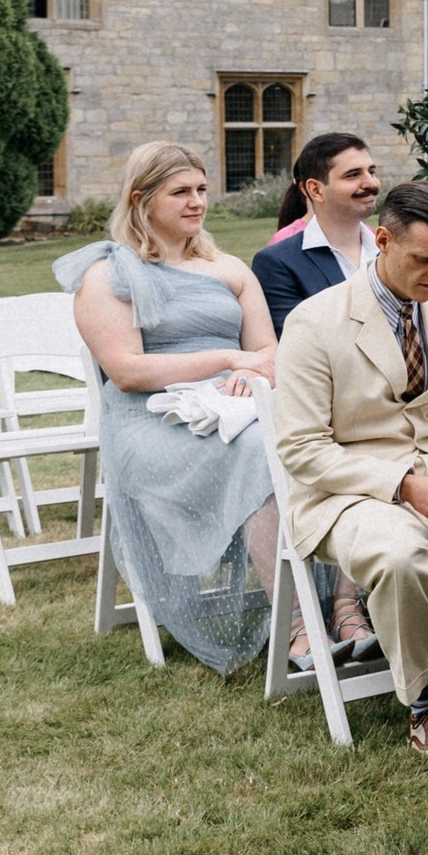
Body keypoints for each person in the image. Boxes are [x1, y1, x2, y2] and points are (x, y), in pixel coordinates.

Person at [273, 182, 428, 763]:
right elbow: (300, 448)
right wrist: (399, 485)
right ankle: (424, 703)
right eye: (424, 260)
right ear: (383, 240)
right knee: (399, 557)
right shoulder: (314, 323)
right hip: (347, 493)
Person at [59, 143, 281, 675]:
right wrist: (230, 358)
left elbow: (269, 351)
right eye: (180, 192)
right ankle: (297, 624)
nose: (197, 202)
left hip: (234, 404)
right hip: (150, 421)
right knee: (258, 449)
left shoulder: (228, 268)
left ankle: (344, 609)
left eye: (202, 190)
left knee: (315, 436)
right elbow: (127, 371)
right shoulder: (108, 271)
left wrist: (251, 370)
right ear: (142, 200)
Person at [251, 133, 383, 335]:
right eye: (353, 175)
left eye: (371, 172)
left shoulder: (391, 250)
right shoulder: (279, 263)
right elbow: (297, 343)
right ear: (316, 190)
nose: (371, 183)